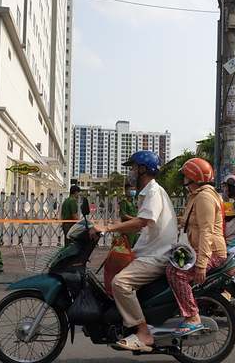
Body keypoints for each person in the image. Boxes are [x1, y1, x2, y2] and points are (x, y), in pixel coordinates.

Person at [90, 151, 178, 352]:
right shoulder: (148, 193)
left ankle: (143, 332)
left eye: (132, 168)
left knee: (120, 283)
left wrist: (108, 228)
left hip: (157, 256)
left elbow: (142, 222)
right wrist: (114, 224)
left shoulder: (154, 192)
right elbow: (141, 223)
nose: (130, 173)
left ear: (142, 169)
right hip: (149, 251)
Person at [165, 158, 227, 335]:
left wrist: (201, 263)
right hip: (198, 248)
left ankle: (193, 317)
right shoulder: (197, 195)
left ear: (192, 177)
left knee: (177, 272)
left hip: (211, 251)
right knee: (166, 262)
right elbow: (190, 223)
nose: (183, 179)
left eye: (185, 176)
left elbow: (206, 231)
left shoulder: (204, 197)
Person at [119, 183, 139, 247]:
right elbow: (123, 215)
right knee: (128, 247)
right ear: (126, 191)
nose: (133, 191)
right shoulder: (124, 202)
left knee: (136, 247)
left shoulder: (135, 201)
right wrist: (134, 219)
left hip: (135, 228)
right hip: (127, 228)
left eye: (134, 189)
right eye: (131, 189)